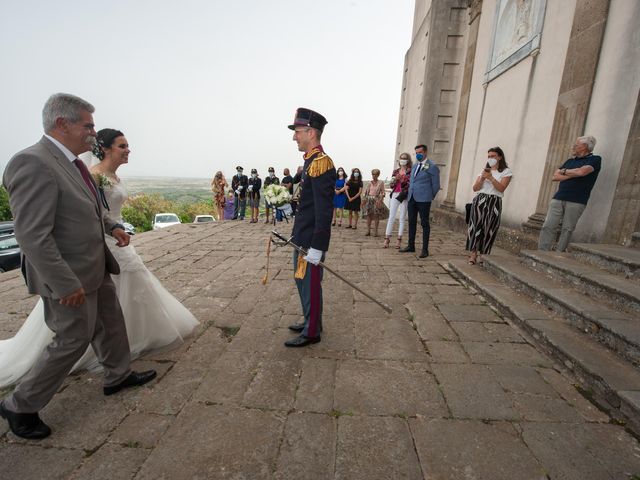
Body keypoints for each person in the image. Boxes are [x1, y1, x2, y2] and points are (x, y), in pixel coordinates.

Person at [0, 93, 155, 440]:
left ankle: (117, 375)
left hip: (95, 265)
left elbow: (87, 207)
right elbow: (33, 236)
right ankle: (20, 405)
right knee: (72, 338)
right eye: (88, 125)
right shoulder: (31, 162)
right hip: (67, 275)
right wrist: (64, 284)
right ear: (62, 124)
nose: (92, 132)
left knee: (110, 322)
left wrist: (111, 226)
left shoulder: (73, 163)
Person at [286, 107, 336, 347]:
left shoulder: (322, 163)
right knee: (301, 280)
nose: (294, 137)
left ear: (311, 132)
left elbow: (324, 211)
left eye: (297, 131)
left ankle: (312, 331)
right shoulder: (310, 161)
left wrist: (318, 246)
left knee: (311, 283)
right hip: (302, 235)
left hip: (311, 240)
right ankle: (310, 318)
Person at [538, 136, 602, 252]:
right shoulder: (570, 161)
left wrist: (564, 172)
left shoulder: (595, 159)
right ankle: (542, 251)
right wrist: (574, 173)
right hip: (559, 197)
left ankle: (559, 253)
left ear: (585, 146)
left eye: (577, 144)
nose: (574, 146)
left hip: (577, 200)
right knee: (548, 225)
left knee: (567, 229)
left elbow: (582, 172)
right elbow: (555, 176)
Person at [466, 147, 512, 264]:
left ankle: (484, 255)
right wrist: (482, 178)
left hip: (494, 201)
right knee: (475, 226)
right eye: (489, 156)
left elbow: (501, 188)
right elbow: (475, 188)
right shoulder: (484, 171)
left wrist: (491, 178)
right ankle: (473, 254)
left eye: (493, 156)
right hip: (480, 200)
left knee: (489, 227)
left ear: (500, 157)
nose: (491, 158)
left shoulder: (506, 172)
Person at [400, 144, 440, 258]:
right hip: (412, 198)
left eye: (420, 152)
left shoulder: (432, 166)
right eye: (416, 152)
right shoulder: (415, 166)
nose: (418, 154)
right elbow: (412, 181)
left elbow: (436, 185)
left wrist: (429, 196)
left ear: (425, 152)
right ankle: (411, 246)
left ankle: (425, 249)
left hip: (424, 199)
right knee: (411, 222)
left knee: (424, 223)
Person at [384, 153, 412, 248]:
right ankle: (387, 238)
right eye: (401, 158)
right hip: (395, 193)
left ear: (408, 160)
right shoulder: (396, 171)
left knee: (402, 218)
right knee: (391, 216)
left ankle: (399, 240)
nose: (403, 160)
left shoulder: (410, 171)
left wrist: (401, 180)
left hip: (403, 195)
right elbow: (391, 185)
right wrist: (395, 180)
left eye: (404, 158)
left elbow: (408, 184)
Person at [362, 169, 388, 237]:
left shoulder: (381, 182)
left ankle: (375, 231)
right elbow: (366, 192)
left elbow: (383, 192)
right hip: (369, 199)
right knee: (368, 215)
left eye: (375, 174)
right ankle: (368, 230)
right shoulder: (369, 183)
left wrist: (380, 200)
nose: (374, 176)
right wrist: (364, 201)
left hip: (376, 200)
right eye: (373, 174)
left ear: (378, 175)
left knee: (376, 216)